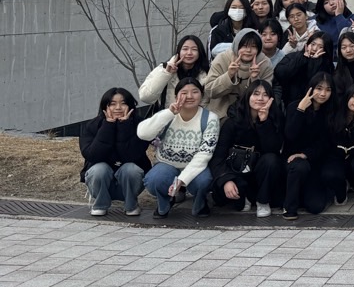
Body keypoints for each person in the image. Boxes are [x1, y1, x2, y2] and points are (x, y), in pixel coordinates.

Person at [137, 77, 218, 219]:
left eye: (195, 92)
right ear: (176, 96)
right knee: (155, 179)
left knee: (204, 181)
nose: (190, 96)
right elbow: (142, 133)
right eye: (184, 92)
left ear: (201, 95)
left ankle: (200, 204)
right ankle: (164, 203)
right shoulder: (168, 115)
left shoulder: (210, 118)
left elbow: (204, 154)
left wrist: (182, 180)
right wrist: (169, 113)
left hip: (195, 166)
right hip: (167, 163)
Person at [210, 80, 285, 218]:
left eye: (265, 95)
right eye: (256, 94)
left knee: (271, 160)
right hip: (236, 172)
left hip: (260, 176)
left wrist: (264, 123)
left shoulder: (275, 119)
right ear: (248, 96)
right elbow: (218, 157)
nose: (260, 99)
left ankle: (263, 201)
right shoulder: (232, 122)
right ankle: (244, 196)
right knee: (232, 199)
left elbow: (273, 150)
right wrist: (226, 179)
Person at [282, 73, 345, 220]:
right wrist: (300, 110)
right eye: (319, 88)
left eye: (328, 89)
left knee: (315, 207)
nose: (323, 93)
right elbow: (289, 135)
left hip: (315, 160)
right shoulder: (295, 106)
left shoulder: (331, 111)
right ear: (310, 88)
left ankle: (309, 192)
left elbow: (326, 143)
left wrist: (306, 154)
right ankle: (289, 208)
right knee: (299, 166)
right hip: (293, 160)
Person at [80, 87, 150, 216]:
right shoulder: (92, 125)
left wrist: (124, 127)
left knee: (131, 169)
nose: (118, 107)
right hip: (100, 182)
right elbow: (93, 156)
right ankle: (100, 204)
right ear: (104, 107)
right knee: (99, 169)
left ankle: (131, 205)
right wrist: (108, 126)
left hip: (130, 182)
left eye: (123, 103)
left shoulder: (141, 126)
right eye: (112, 104)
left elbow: (131, 156)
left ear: (130, 106)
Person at [203, 30, 276, 119]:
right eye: (244, 46)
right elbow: (210, 91)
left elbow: (266, 96)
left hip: (251, 114)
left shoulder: (264, 63)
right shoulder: (222, 58)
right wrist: (229, 75)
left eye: (253, 47)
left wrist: (255, 79)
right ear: (236, 46)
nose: (248, 50)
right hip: (221, 112)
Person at [137, 35, 210, 112]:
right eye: (185, 49)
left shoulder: (208, 73)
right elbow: (145, 97)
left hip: (197, 121)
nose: (189, 53)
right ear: (179, 51)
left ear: (200, 52)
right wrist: (166, 73)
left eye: (194, 49)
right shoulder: (164, 68)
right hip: (169, 119)